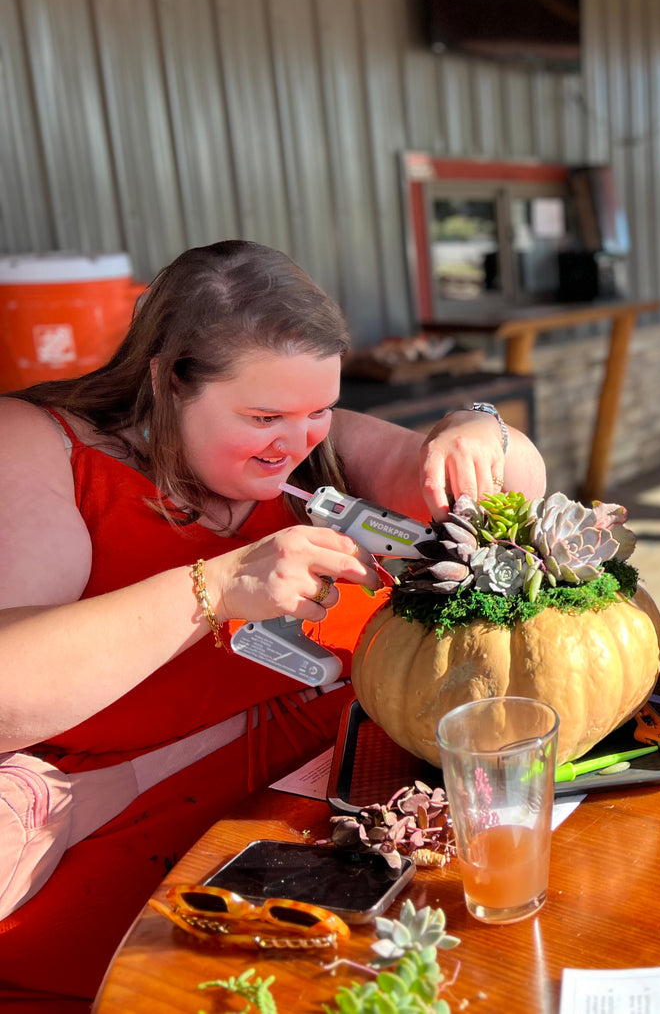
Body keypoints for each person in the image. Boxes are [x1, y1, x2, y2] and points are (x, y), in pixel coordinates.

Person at [0, 241, 545, 1007]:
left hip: (333, 803)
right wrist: (217, 586)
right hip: (128, 827)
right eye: (263, 416)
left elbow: (513, 482)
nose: (297, 441)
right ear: (166, 379)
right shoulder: (38, 445)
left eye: (319, 409)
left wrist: (476, 430)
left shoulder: (308, 447)